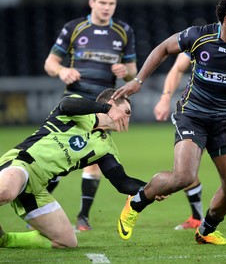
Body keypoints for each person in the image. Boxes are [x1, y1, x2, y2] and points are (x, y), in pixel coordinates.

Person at [113, 0, 226, 244]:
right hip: (192, 115)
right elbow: (162, 48)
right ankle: (136, 202)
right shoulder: (199, 36)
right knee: (184, 177)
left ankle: (206, 230)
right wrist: (138, 80)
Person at [44, 0, 138, 231]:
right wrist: (62, 70)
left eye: (112, 4)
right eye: (103, 3)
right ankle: (37, 203)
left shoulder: (123, 31)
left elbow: (133, 73)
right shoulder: (74, 28)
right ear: (92, 2)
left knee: (94, 157)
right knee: (60, 157)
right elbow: (50, 63)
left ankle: (83, 216)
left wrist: (125, 72)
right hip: (74, 104)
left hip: (103, 104)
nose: (107, 8)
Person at [0, 88, 146, 248]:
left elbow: (123, 182)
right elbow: (66, 104)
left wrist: (150, 190)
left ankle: (3, 239)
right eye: (126, 112)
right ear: (112, 103)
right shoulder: (80, 110)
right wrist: (106, 109)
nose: (128, 118)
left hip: (37, 189)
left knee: (66, 242)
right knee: (5, 192)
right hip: (22, 163)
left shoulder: (107, 148)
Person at [154, 52, 226, 230]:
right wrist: (165, 96)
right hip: (199, 110)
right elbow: (177, 68)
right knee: (186, 164)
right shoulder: (200, 40)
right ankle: (198, 217)